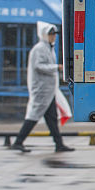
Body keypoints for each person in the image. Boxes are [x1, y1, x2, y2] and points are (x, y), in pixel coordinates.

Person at [10, 22, 74, 153]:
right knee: (33, 116)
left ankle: (59, 144)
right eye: (51, 34)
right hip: (41, 90)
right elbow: (38, 66)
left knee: (51, 119)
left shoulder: (49, 48)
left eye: (54, 34)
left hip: (48, 91)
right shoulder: (39, 49)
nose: (53, 36)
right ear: (44, 35)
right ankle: (18, 142)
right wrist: (56, 67)